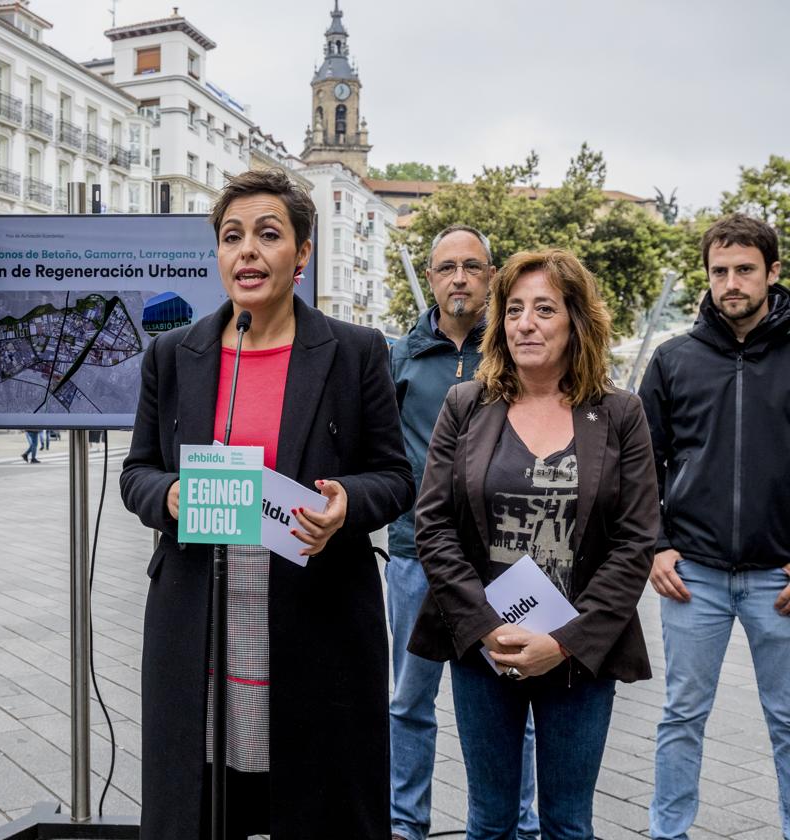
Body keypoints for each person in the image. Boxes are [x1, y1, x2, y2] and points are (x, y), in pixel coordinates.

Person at [120, 169, 415, 840]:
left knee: (317, 796)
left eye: (268, 234)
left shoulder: (356, 352)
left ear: (302, 253)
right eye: (232, 237)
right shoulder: (173, 355)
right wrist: (166, 494)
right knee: (204, 798)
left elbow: (395, 478)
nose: (247, 251)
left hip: (319, 613)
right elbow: (137, 472)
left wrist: (347, 503)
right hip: (199, 610)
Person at [410, 248, 659, 839]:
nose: (525, 322)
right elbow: (434, 525)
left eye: (544, 308)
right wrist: (485, 625)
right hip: (485, 647)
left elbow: (635, 540)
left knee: (569, 825)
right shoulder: (466, 405)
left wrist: (565, 642)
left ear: (576, 321)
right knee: (489, 821)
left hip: (578, 655)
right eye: (514, 308)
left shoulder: (621, 414)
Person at [640, 214, 790, 840]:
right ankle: (668, 834)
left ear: (773, 273)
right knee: (681, 716)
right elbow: (642, 461)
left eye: (745, 270)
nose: (731, 283)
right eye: (720, 270)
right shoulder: (675, 359)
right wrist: (656, 545)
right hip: (692, 575)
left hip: (777, 578)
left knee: (787, 720)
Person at [387, 225, 539, 840]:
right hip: (415, 555)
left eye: (472, 267)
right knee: (407, 701)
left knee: (514, 699)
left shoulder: (509, 353)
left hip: (500, 559)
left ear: (490, 276)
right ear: (430, 277)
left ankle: (519, 823)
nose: (459, 278)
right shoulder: (400, 358)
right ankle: (404, 822)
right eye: (447, 267)